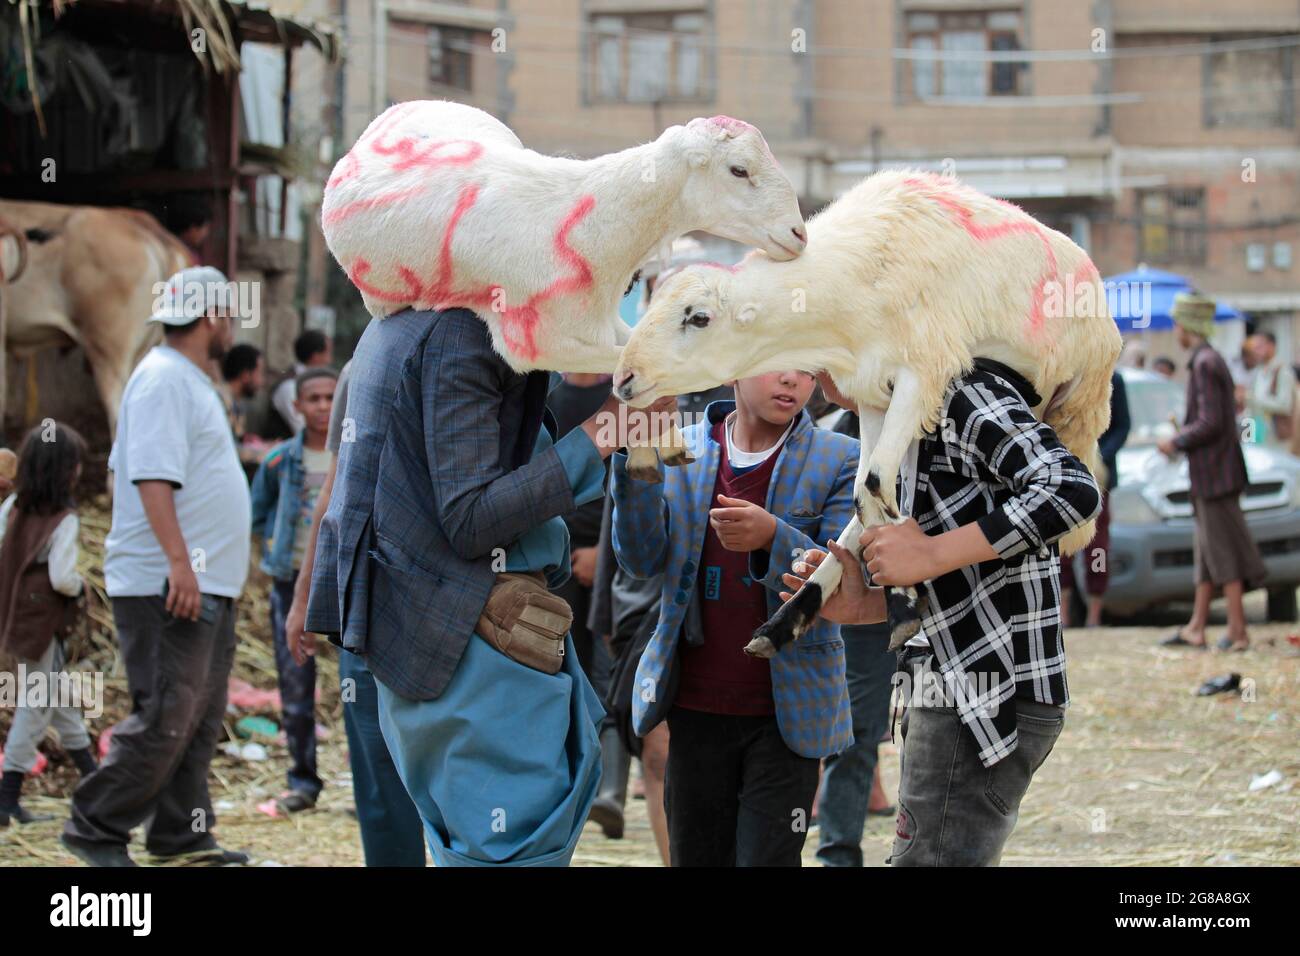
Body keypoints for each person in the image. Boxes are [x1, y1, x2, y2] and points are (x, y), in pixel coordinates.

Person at [306, 306, 669, 867]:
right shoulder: (464, 331)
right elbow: (472, 516)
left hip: (432, 632)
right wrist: (609, 428)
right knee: (509, 850)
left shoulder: (395, 325)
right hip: (475, 640)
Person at [786, 362, 1101, 867]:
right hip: (953, 686)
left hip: (981, 691)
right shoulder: (901, 419)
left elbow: (1071, 490)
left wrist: (931, 553)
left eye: (816, 355)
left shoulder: (956, 392)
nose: (811, 373)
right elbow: (957, 591)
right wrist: (862, 607)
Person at [612, 369, 858, 867]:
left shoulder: (839, 456)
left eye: (808, 370)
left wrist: (775, 538)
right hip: (694, 704)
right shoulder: (681, 447)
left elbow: (842, 582)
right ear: (734, 367)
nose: (793, 380)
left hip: (787, 712)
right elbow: (640, 560)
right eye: (777, 361)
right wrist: (634, 458)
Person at [62, 266, 251, 868]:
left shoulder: (188, 380)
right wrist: (179, 564)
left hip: (202, 581)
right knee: (168, 714)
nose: (231, 326)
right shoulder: (164, 380)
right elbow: (150, 477)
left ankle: (180, 834)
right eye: (228, 314)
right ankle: (94, 828)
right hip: (168, 583)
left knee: (198, 717)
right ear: (211, 316)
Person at [282, 361, 425, 866]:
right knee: (379, 769)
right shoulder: (365, 363)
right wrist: (305, 598)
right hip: (369, 599)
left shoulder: (487, 344)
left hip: (458, 603)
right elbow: (334, 493)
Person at [811, 405, 896, 867]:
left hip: (878, 606)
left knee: (857, 731)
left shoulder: (910, 427)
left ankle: (838, 853)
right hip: (805, 598)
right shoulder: (821, 435)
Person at [0, 423, 97, 827]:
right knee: (36, 704)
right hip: (42, 624)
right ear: (65, 471)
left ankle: (95, 780)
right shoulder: (64, 519)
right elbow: (61, 577)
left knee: (55, 697)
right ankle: (7, 800)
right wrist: (82, 586)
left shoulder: (12, 507)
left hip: (13, 619)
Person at [250, 367, 338, 813]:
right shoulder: (280, 461)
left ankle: (371, 786)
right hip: (291, 585)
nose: (323, 406)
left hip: (345, 583)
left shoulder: (357, 454)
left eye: (330, 397)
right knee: (295, 685)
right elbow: (257, 511)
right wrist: (271, 554)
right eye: (314, 399)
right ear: (298, 406)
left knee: (361, 689)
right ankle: (303, 782)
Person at [1159, 294, 1265, 653]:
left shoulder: (1205, 362)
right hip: (1213, 473)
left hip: (1215, 474)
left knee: (1223, 554)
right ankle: (1197, 626)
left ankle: (1237, 630)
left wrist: (1176, 441)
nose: (1175, 331)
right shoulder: (1208, 359)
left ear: (1188, 325)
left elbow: (1211, 422)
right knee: (1207, 554)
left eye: (1177, 324)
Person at [1061, 370, 1130, 628]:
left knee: (1097, 546)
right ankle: (1064, 613)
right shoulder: (1065, 371)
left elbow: (1122, 425)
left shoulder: (1114, 378)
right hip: (1068, 468)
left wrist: (1102, 456)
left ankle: (1094, 613)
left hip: (1100, 475)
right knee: (1062, 545)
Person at [270, 329, 332, 437]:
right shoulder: (289, 387)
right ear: (316, 356)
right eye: (328, 353)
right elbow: (301, 429)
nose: (323, 406)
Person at [220, 342, 269, 479]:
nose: (262, 382)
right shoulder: (220, 401)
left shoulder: (236, 404)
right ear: (246, 375)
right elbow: (224, 449)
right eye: (260, 373)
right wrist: (264, 453)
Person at [1248, 331, 1296, 447]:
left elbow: (1285, 405)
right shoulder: (1257, 372)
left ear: (1271, 346)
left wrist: (1255, 400)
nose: (1256, 351)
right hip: (1257, 432)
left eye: (1260, 346)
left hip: (1276, 437)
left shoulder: (1282, 371)